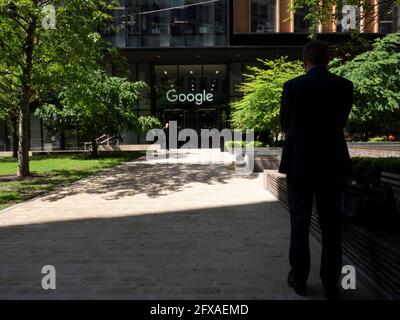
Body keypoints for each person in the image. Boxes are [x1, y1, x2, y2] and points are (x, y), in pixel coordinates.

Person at [279, 40, 354, 300]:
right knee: (331, 226)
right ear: (328, 59)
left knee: (299, 222)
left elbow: (284, 122)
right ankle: (331, 284)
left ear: (305, 61)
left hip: (299, 163)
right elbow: (341, 121)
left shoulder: (292, 86)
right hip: (332, 164)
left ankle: (299, 279)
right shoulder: (345, 87)